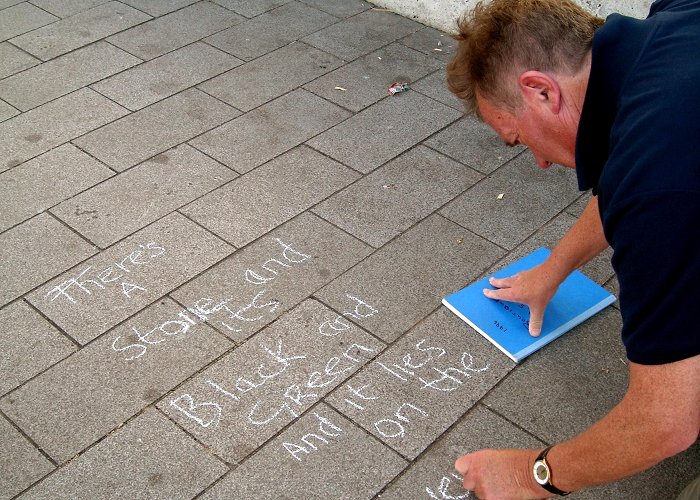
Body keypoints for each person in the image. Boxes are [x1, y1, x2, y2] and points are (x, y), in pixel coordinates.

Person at [445, 0, 700, 497]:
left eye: (516, 138)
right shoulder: (674, 18)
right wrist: (553, 269)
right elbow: (634, 172)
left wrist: (529, 474)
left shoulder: (657, 189)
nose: (538, 162)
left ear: (540, 90)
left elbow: (666, 424)